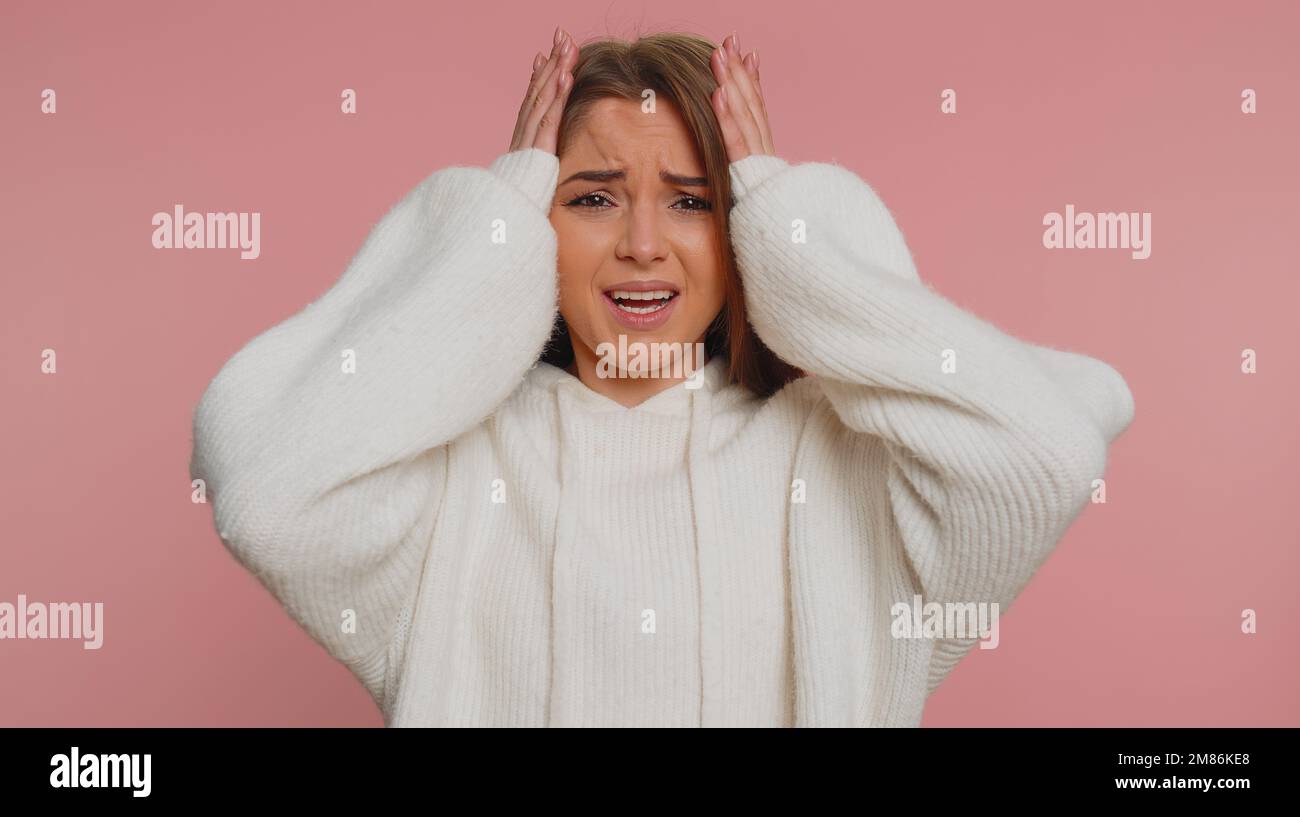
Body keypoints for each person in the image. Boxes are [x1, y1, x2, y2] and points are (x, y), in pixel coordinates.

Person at [189, 28, 1135, 727]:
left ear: (743, 236)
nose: (643, 247)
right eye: (593, 198)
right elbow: (266, 496)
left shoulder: (846, 472)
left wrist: (794, 229)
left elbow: (1045, 455)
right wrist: (493, 221)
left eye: (693, 203)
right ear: (533, 234)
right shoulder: (451, 486)